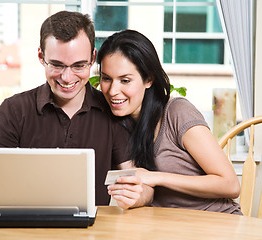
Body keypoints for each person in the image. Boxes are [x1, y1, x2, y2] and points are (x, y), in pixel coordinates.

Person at [0, 12, 151, 210]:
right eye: (57, 65)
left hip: (90, 233)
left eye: (78, 65)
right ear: (41, 56)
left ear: (92, 58)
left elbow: (143, 185)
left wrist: (138, 195)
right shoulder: (13, 110)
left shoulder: (112, 112)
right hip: (25, 228)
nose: (67, 77)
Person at [97, 29, 242, 214]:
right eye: (106, 79)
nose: (112, 91)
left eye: (125, 80)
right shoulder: (117, 124)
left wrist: (156, 178)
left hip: (217, 222)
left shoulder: (177, 112)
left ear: (149, 79)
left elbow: (230, 184)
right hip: (169, 226)